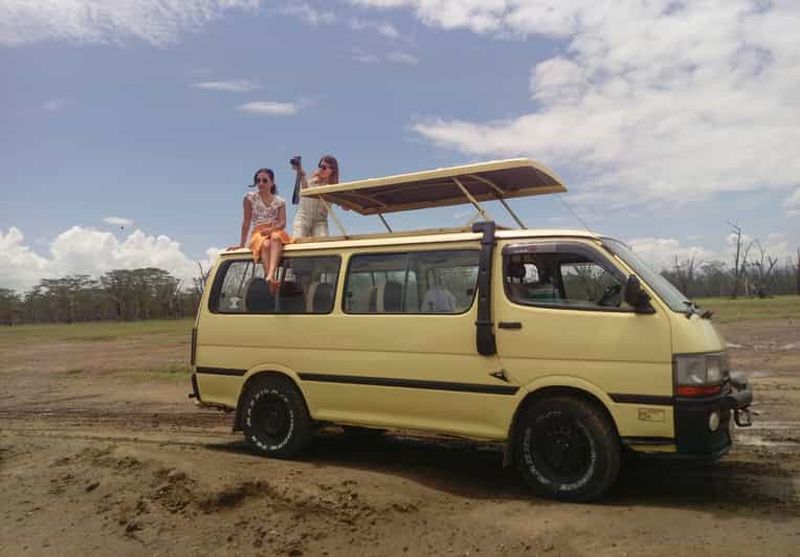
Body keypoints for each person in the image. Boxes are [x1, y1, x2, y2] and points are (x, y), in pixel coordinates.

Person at [230, 168, 292, 293]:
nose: (261, 183)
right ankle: (270, 278)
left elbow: (283, 223)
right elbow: (246, 223)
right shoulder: (250, 198)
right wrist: (241, 244)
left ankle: (271, 274)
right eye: (258, 181)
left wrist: (271, 230)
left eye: (264, 180)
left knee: (275, 238)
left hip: (275, 230)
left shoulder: (280, 201)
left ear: (272, 183)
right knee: (265, 244)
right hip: (258, 232)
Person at [291, 154, 340, 238]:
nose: (320, 169)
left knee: (323, 244)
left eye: (324, 167)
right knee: (297, 242)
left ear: (332, 170)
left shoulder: (334, 188)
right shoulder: (311, 181)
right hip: (303, 218)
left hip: (320, 221)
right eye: (320, 166)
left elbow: (344, 206)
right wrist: (301, 174)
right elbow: (305, 191)